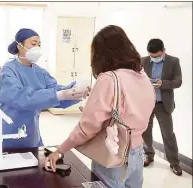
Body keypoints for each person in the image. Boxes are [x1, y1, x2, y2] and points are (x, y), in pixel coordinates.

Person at [44, 25, 155, 188]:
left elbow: (87, 128)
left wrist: (60, 150)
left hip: (113, 156)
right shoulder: (142, 76)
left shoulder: (109, 79)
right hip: (137, 152)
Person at [0, 28, 89, 151]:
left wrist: (75, 91)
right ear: (20, 45)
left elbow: (56, 92)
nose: (37, 48)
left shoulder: (40, 72)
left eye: (39, 45)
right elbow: (21, 98)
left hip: (30, 133)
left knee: (34, 166)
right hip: (7, 132)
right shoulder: (8, 70)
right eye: (33, 44)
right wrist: (59, 94)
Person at [141, 39, 182, 176]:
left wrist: (163, 83)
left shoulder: (173, 61)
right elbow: (137, 78)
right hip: (147, 103)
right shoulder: (143, 61)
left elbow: (178, 81)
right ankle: (148, 155)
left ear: (163, 51)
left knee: (168, 134)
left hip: (163, 104)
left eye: (157, 56)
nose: (154, 58)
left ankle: (174, 163)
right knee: (145, 131)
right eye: (152, 56)